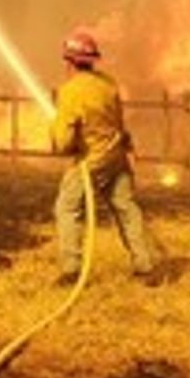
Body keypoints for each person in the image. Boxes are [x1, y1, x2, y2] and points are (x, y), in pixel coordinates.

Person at [50, 29, 158, 286]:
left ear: (69, 61)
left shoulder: (70, 92)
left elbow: (64, 141)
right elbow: (118, 121)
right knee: (126, 208)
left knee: (67, 209)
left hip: (91, 162)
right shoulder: (108, 83)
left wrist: (58, 134)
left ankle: (72, 270)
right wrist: (128, 147)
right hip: (116, 157)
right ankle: (146, 266)